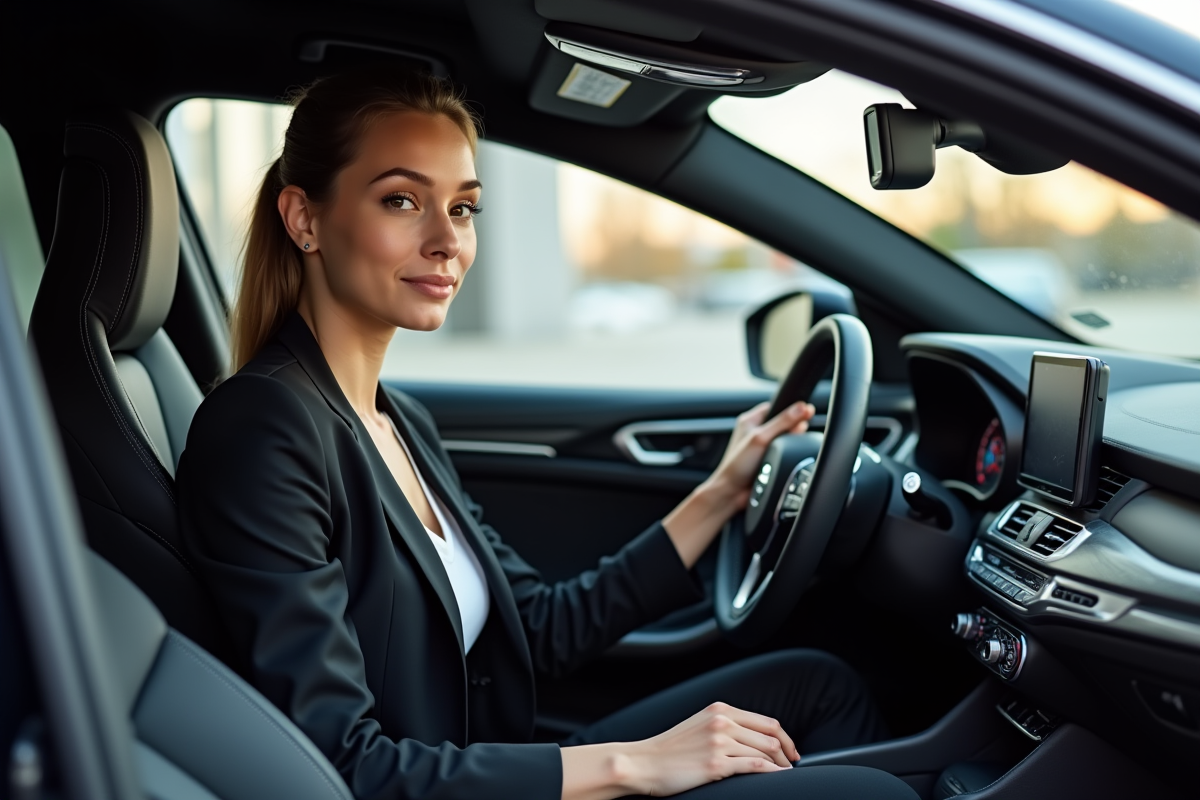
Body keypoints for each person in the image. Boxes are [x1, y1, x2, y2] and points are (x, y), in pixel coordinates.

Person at [177, 69, 911, 800]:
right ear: (304, 218)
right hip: (438, 787)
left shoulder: (397, 420)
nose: (446, 241)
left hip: (492, 764)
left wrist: (721, 493)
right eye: (401, 200)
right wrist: (634, 764)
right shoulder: (262, 429)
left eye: (463, 208)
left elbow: (538, 628)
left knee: (818, 685)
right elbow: (341, 766)